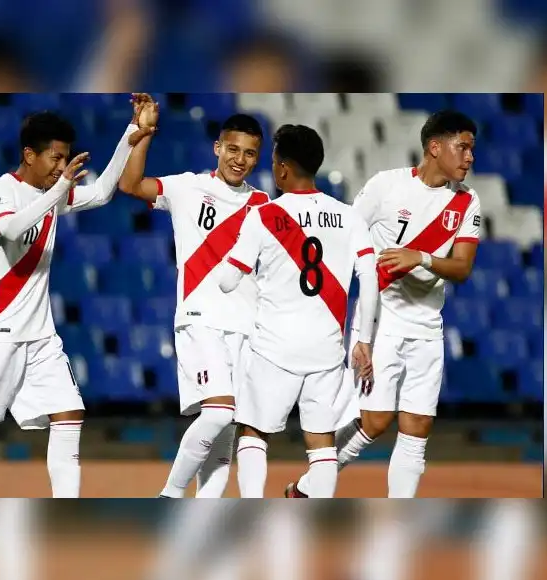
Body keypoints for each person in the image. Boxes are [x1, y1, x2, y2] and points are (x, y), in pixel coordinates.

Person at [0, 106, 155, 498]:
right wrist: (58, 193)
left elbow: (102, 192)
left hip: (41, 335)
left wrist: (131, 133)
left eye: (65, 158)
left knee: (70, 414)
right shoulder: (1, 190)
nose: (61, 166)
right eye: (55, 158)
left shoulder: (51, 193)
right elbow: (10, 227)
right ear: (30, 154)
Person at [287, 109, 482, 499]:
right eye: (462, 147)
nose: (469, 157)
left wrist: (420, 257)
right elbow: (344, 239)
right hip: (381, 324)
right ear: (434, 147)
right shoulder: (386, 187)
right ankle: (309, 487)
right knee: (375, 421)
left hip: (427, 327)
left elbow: (461, 268)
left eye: (471, 149)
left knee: (417, 431)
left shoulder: (468, 202)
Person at [119, 95, 270, 498]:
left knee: (224, 443)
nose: (240, 159)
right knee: (219, 411)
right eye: (233, 149)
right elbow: (130, 184)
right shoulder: (188, 187)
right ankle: (168, 494)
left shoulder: (264, 205)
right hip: (201, 319)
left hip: (247, 328)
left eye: (250, 153)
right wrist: (143, 134)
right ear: (217, 148)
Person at [220, 124, 378, 498]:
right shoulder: (348, 216)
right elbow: (369, 278)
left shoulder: (263, 216)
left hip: (273, 349)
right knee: (322, 447)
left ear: (283, 168)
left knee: (253, 433)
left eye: (274, 161)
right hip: (325, 351)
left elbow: (227, 281)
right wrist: (364, 341)